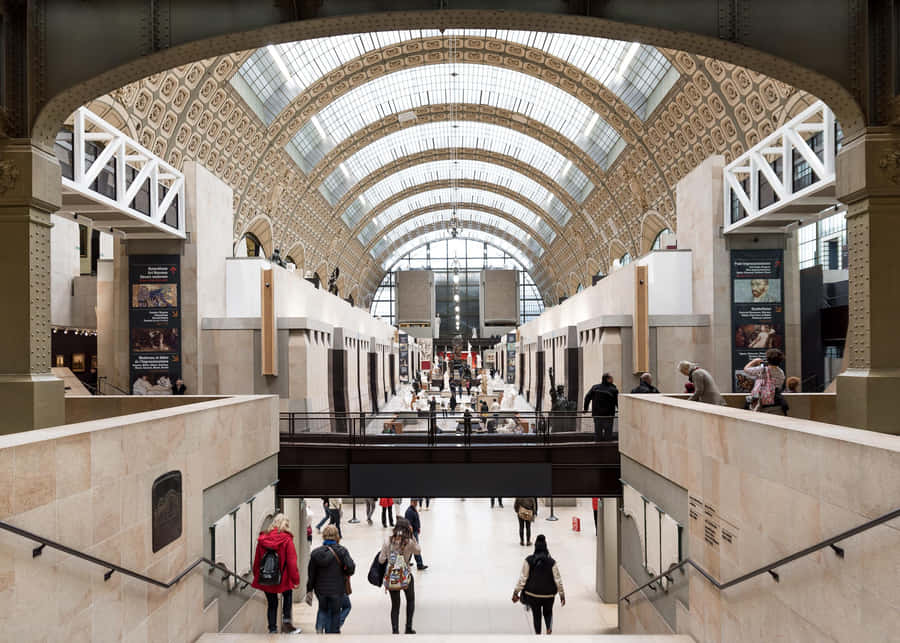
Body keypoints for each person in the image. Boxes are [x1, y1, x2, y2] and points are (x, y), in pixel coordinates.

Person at [251, 513, 301, 634]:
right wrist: (296, 580)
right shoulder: (287, 540)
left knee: (272, 604)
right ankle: (286, 622)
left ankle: (272, 629)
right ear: (285, 525)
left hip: (267, 577)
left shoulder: (263, 539)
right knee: (287, 595)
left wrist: (257, 575)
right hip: (283, 577)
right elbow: (291, 562)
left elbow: (257, 560)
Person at [306, 524, 355, 634]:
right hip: (337, 589)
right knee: (335, 612)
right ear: (337, 536)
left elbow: (311, 574)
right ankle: (332, 633)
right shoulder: (342, 551)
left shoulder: (315, 553)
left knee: (323, 609)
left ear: (324, 536)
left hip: (320, 590)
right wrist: (345, 571)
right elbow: (351, 568)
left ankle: (319, 629)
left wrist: (309, 589)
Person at [512, 534, 565, 635]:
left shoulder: (529, 560)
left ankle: (538, 636)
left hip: (533, 594)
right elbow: (558, 580)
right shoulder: (552, 562)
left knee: (536, 616)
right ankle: (549, 628)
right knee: (548, 612)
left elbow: (523, 579)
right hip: (549, 595)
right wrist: (562, 595)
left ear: (535, 547)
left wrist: (516, 592)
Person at [379, 518, 421, 634]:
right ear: (408, 528)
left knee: (395, 605)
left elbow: (381, 560)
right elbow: (418, 551)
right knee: (410, 600)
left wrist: (388, 555)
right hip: (405, 575)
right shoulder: (409, 542)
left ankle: (395, 631)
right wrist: (412, 535)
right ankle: (408, 627)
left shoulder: (388, 541)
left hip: (392, 577)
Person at [743, 348, 788, 413]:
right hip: (776, 401)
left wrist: (754, 361)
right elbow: (779, 385)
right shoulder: (781, 372)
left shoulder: (762, 369)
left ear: (767, 359)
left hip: (761, 402)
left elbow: (746, 369)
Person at [584, 373, 618, 440]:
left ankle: (597, 448)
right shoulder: (613, 389)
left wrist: (586, 409)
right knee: (608, 434)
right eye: (611, 378)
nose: (613, 380)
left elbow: (587, 397)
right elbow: (617, 401)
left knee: (598, 433)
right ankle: (607, 449)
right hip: (609, 415)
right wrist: (621, 410)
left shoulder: (595, 387)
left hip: (597, 414)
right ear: (608, 379)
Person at [404, 499, 428, 570]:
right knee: (415, 548)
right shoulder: (409, 511)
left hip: (415, 532)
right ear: (411, 502)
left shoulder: (413, 509)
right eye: (414, 502)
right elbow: (409, 524)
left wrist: (418, 528)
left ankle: (406, 561)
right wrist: (412, 535)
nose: (416, 503)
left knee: (410, 548)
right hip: (412, 533)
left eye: (416, 502)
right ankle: (419, 564)